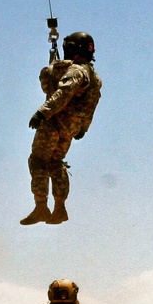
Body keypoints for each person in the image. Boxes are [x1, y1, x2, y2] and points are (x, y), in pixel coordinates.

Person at [21, 32, 102, 225]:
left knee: (38, 161)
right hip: (71, 128)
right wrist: (83, 128)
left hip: (55, 123)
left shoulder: (75, 72)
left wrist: (43, 113)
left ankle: (41, 207)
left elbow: (62, 93)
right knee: (56, 163)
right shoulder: (94, 77)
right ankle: (60, 208)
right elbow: (93, 104)